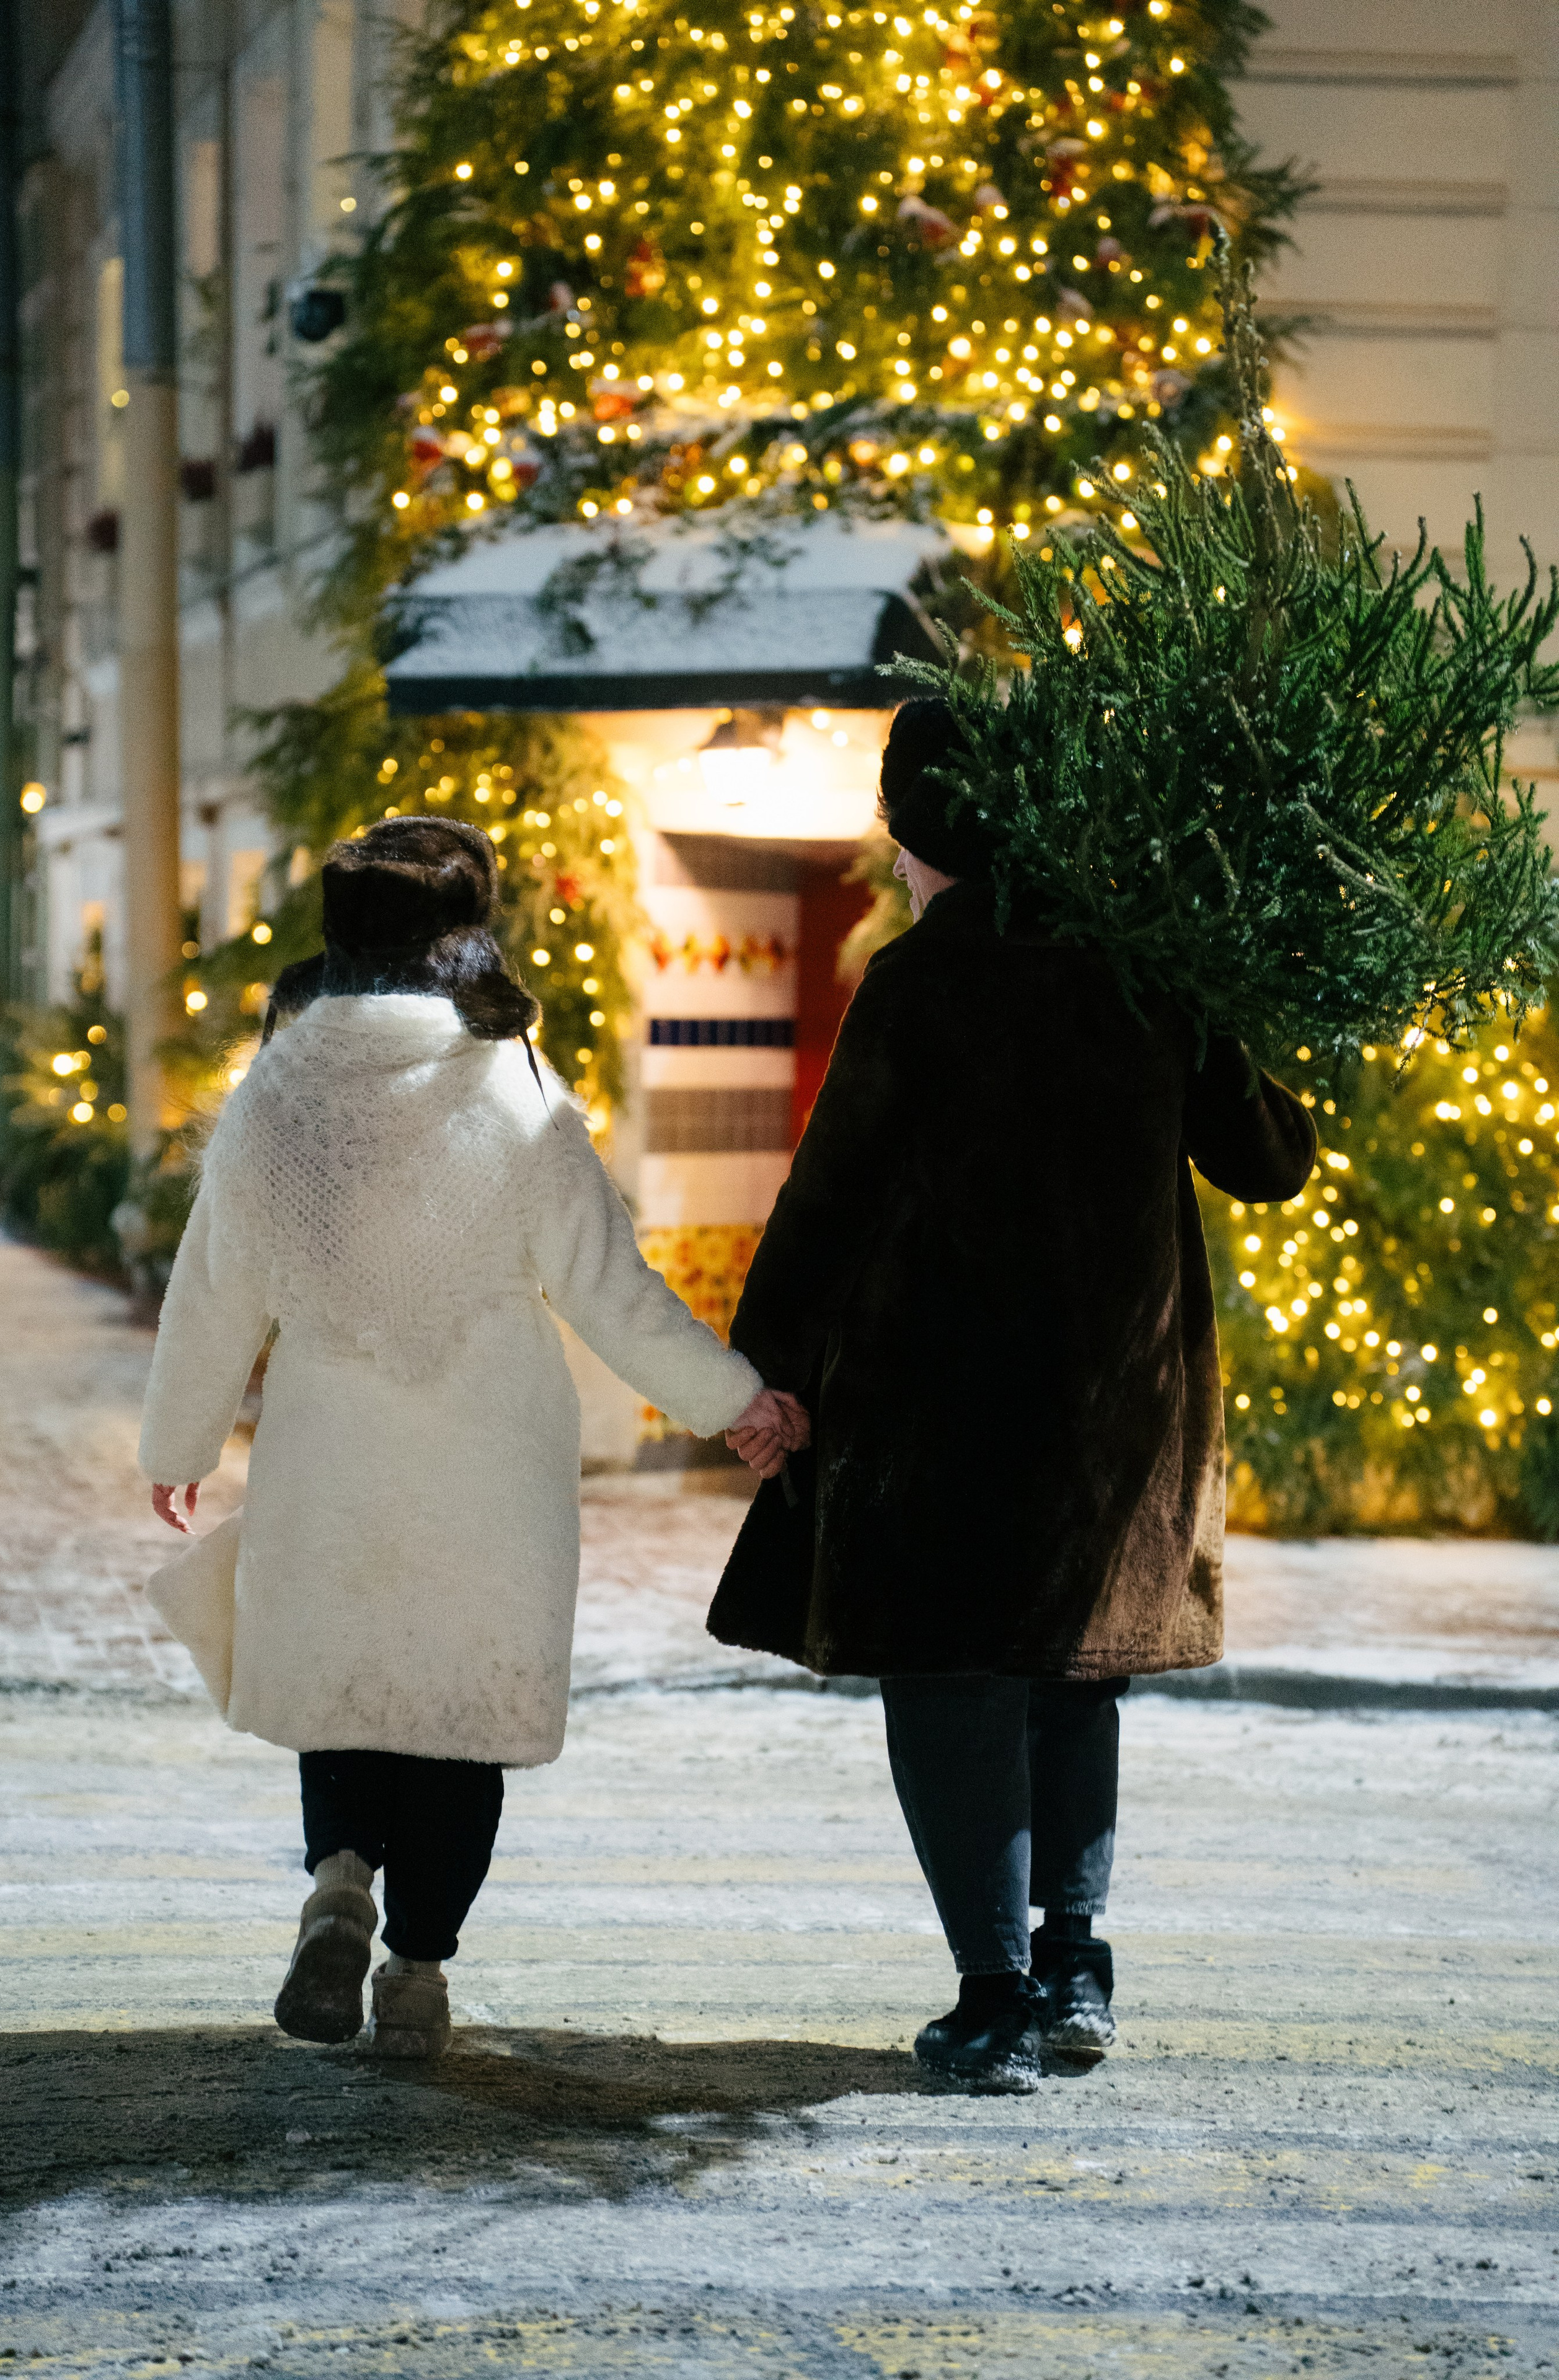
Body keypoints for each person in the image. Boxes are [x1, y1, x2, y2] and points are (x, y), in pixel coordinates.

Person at [713, 699, 1317, 2092]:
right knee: (1072, 1671)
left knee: (949, 1681)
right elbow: (1271, 1159)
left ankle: (991, 2000)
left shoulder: (920, 980)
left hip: (940, 1412)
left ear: (926, 833)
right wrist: (1224, 990)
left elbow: (830, 1197)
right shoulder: (1142, 965)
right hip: (1116, 1414)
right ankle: (1072, 1963)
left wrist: (764, 1375)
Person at [142, 817, 799, 2056]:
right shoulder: (513, 1091)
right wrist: (733, 1401)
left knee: (342, 1691)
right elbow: (610, 1289)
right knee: (461, 1719)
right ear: (465, 934)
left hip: (328, 1450)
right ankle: (416, 1977)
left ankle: (340, 1881)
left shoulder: (276, 1091)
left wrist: (177, 1444)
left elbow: (214, 1287)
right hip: (490, 1463)